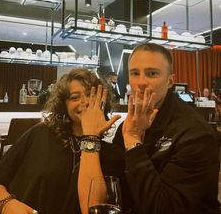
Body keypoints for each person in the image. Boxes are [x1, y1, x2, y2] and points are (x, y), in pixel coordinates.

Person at [78, 43, 220, 214]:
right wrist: (92, 137)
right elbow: (114, 185)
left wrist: (132, 140)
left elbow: (164, 208)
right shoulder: (131, 122)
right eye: (135, 73)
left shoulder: (195, 133)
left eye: (152, 74)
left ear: (170, 81)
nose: (142, 82)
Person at [0, 68, 121, 214]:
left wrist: (90, 137)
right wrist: (6, 204)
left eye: (91, 95)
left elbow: (92, 207)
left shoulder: (110, 154)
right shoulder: (40, 134)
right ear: (64, 106)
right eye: (75, 97)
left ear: (102, 100)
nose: (85, 102)